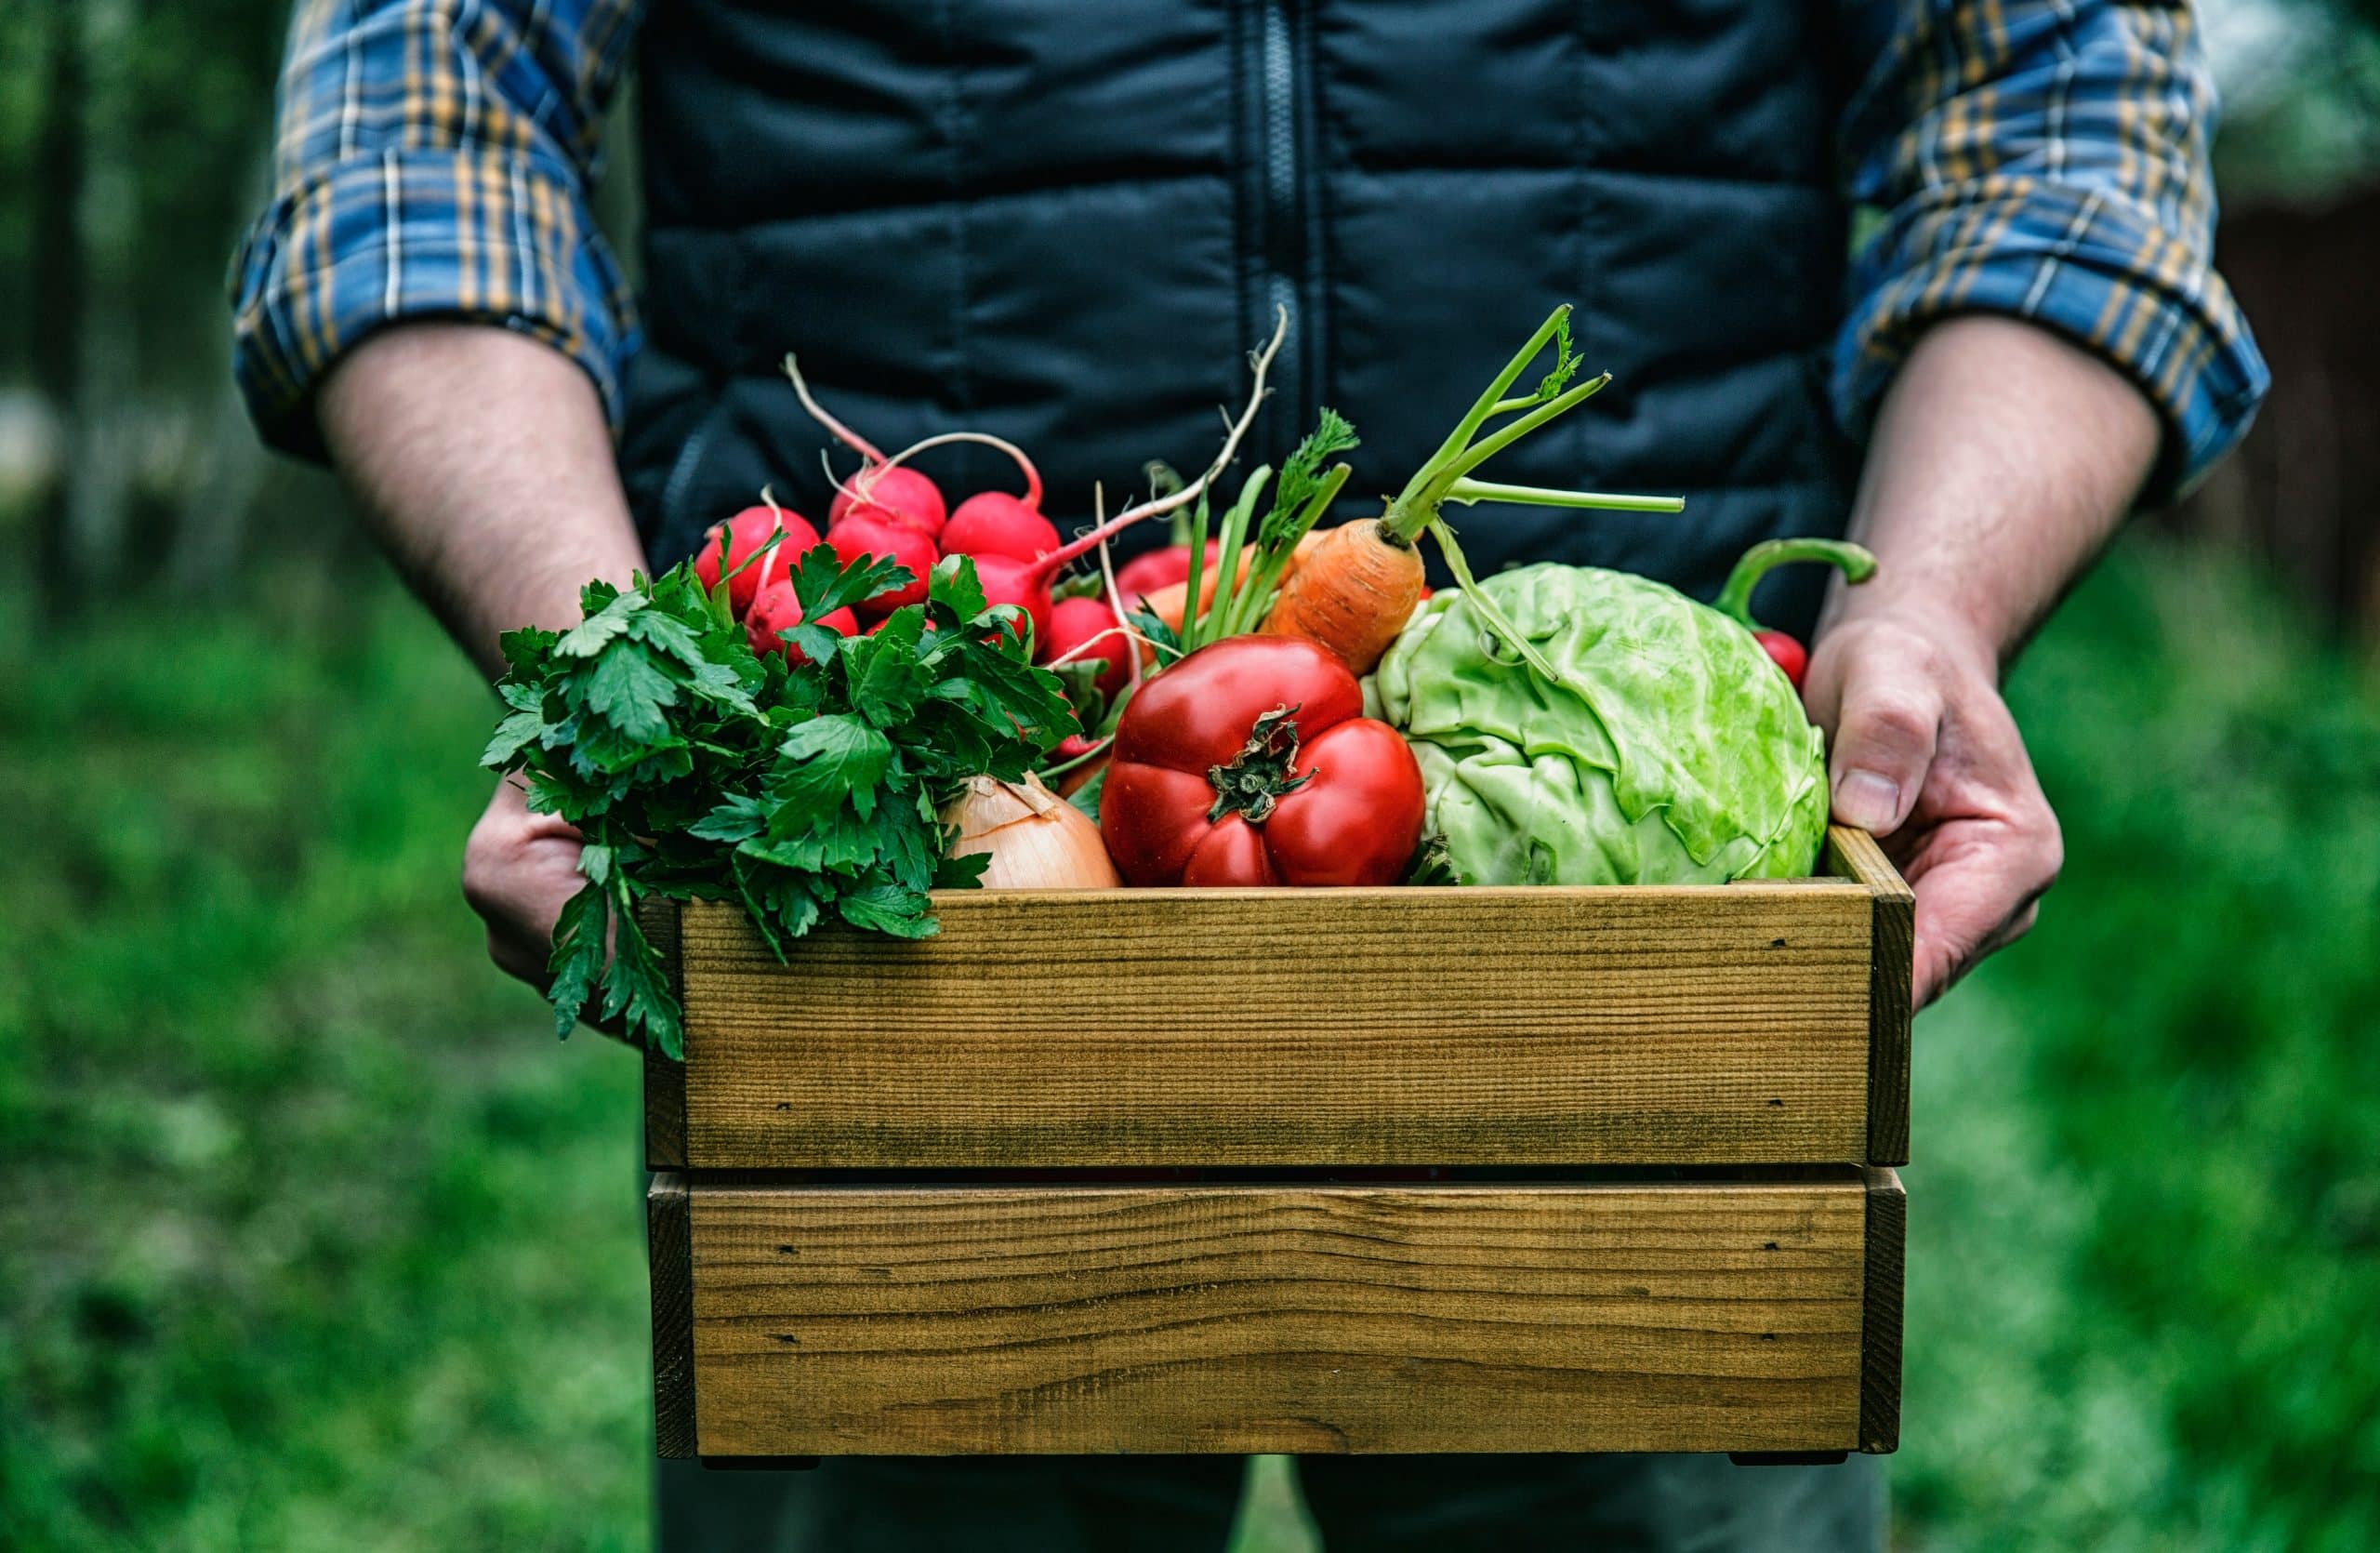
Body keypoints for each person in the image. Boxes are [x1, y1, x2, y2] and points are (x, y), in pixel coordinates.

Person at [231, 2, 2266, 1547]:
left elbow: (2058, 133)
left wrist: (1924, 607)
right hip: (895, 905)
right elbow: (420, 132)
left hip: (1622, 923)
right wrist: (632, 681)